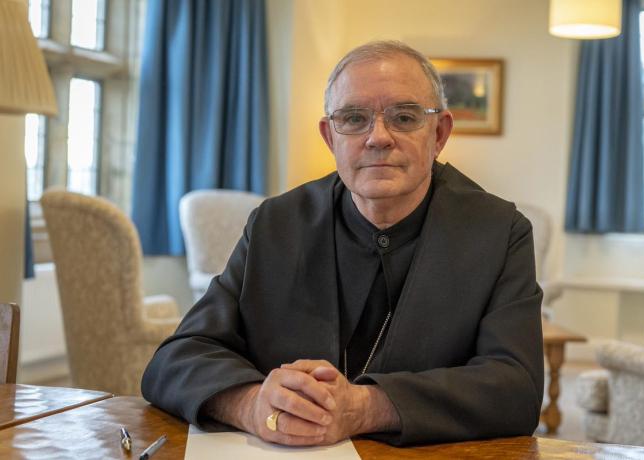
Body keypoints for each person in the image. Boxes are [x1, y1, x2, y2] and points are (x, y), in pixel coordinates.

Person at [142, 40, 544, 447]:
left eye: (404, 117)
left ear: (439, 134)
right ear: (330, 136)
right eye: (354, 118)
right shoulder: (275, 224)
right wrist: (249, 405)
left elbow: (516, 390)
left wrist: (366, 406)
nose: (378, 138)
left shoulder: (499, 232)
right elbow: (175, 360)